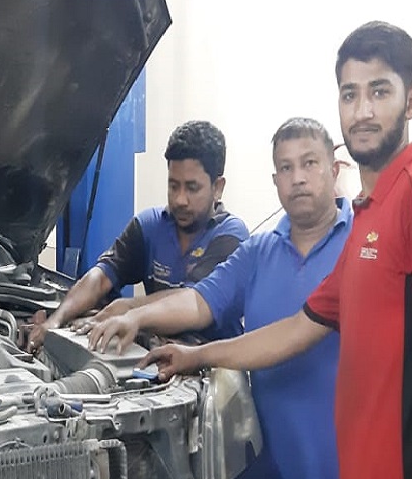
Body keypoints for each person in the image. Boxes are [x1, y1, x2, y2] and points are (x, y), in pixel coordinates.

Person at [141, 21, 412, 479]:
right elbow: (295, 329)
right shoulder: (368, 218)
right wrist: (196, 356)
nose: (362, 110)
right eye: (349, 93)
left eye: (380, 91)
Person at [85, 117, 350, 479]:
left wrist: (194, 352)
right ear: (274, 179)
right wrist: (137, 316)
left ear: (334, 169)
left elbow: (290, 336)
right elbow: (201, 300)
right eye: (285, 168)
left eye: (309, 164)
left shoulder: (361, 243)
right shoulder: (259, 251)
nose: (297, 178)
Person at [24, 120, 249, 353]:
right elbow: (101, 277)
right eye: (173, 186)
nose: (180, 199)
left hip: (214, 368)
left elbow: (195, 300)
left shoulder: (231, 238)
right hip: (158, 357)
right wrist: (56, 321)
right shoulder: (150, 226)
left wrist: (127, 309)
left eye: (192, 188)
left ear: (217, 187)